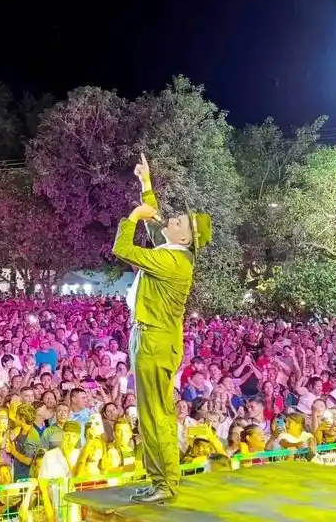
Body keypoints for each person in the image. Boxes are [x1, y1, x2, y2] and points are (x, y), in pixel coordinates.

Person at [112, 153, 211, 504]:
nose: (173, 218)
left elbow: (122, 247)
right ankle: (159, 481)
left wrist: (132, 217)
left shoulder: (173, 261)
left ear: (185, 238)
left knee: (156, 415)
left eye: (180, 220)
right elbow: (156, 226)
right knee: (151, 414)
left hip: (154, 340)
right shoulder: (173, 251)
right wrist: (146, 185)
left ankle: (166, 485)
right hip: (150, 337)